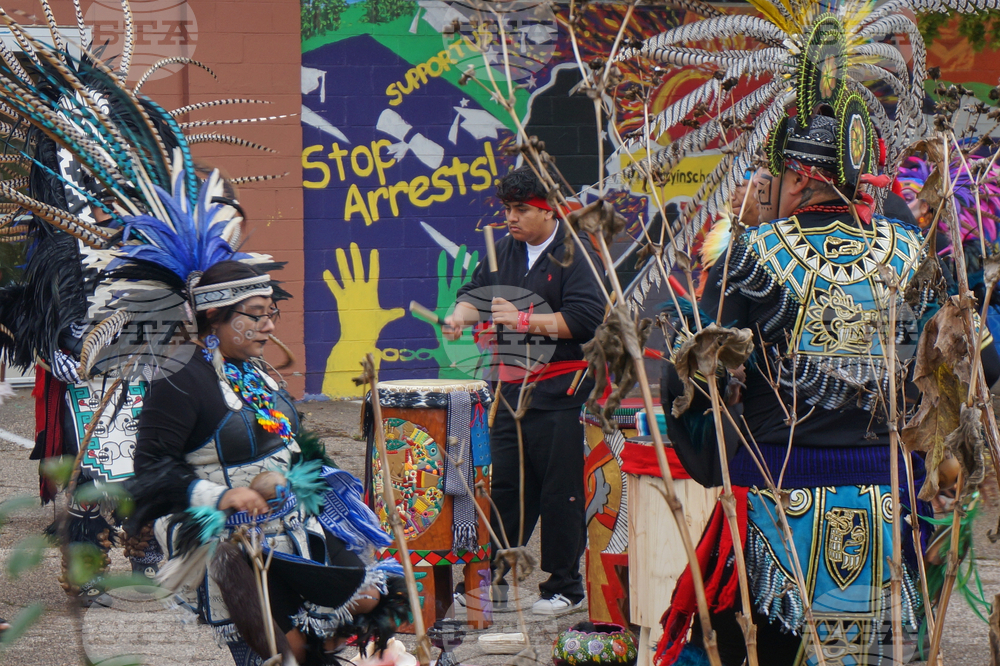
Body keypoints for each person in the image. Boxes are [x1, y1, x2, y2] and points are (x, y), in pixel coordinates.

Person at [129, 260, 405, 666]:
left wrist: (320, 484)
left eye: (271, 313)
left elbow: (292, 441)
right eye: (256, 315)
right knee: (283, 654)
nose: (270, 326)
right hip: (232, 548)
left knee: (372, 596)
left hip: (294, 528)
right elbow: (149, 469)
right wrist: (221, 495)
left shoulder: (252, 369)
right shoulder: (180, 378)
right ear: (213, 316)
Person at [442, 165, 605, 616]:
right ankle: (493, 580)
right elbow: (476, 293)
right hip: (508, 391)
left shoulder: (576, 254)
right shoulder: (507, 251)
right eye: (507, 209)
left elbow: (586, 319)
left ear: (548, 210)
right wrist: (459, 315)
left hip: (559, 390)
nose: (511, 218)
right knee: (507, 487)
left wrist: (524, 320)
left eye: (520, 210)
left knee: (559, 490)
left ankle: (564, 587)